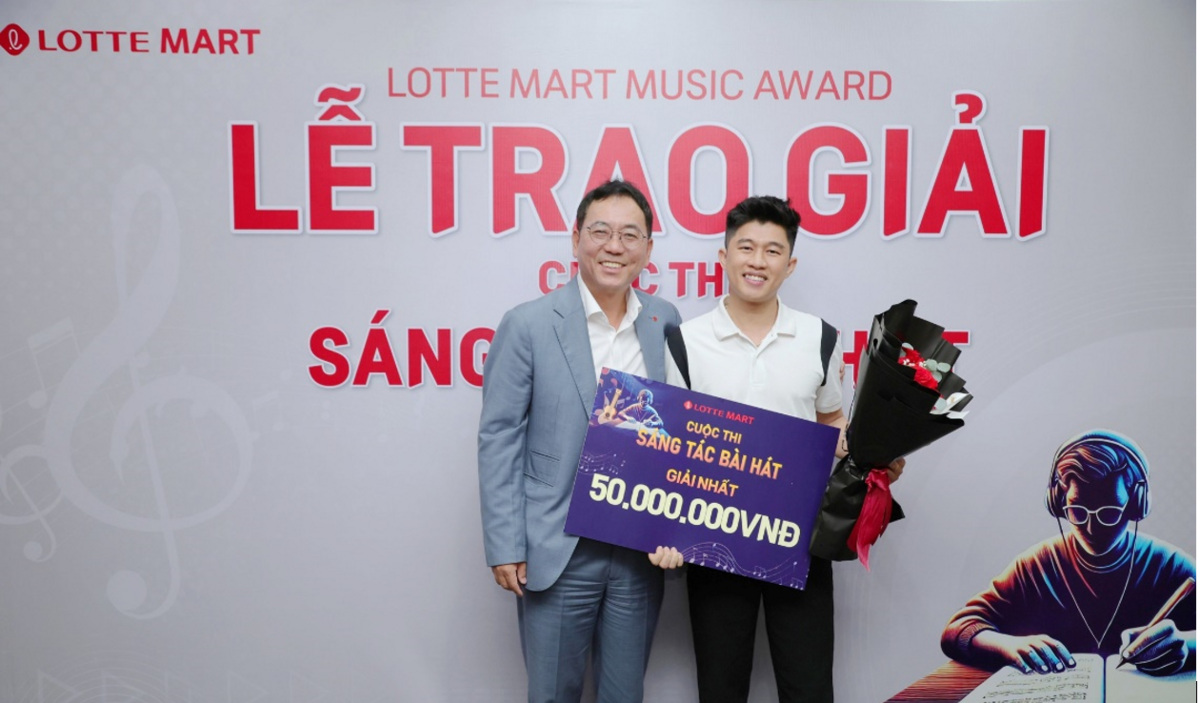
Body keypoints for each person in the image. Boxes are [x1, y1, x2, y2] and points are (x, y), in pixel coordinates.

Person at [661, 196, 902, 703]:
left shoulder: (819, 336)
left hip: (800, 535)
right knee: (721, 688)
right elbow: (671, 447)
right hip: (716, 537)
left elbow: (830, 421)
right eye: (746, 247)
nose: (758, 261)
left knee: (808, 686)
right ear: (723, 256)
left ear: (789, 265)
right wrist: (665, 531)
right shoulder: (684, 341)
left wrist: (874, 456)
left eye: (772, 251)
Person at [477, 179, 682, 703]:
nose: (614, 246)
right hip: (557, 546)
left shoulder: (663, 320)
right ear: (575, 240)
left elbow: (679, 431)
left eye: (630, 235)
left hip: (636, 550)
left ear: (647, 249)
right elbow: (499, 436)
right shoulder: (527, 324)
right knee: (552, 694)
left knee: (624, 695)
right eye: (600, 232)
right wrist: (506, 543)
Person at [941, 429, 1196, 676]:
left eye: (1109, 512)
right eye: (1078, 511)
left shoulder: (1171, 565)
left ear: (1136, 503)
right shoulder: (1034, 566)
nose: (1092, 528)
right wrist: (1007, 646)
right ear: (1058, 501)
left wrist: (1188, 645)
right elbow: (957, 630)